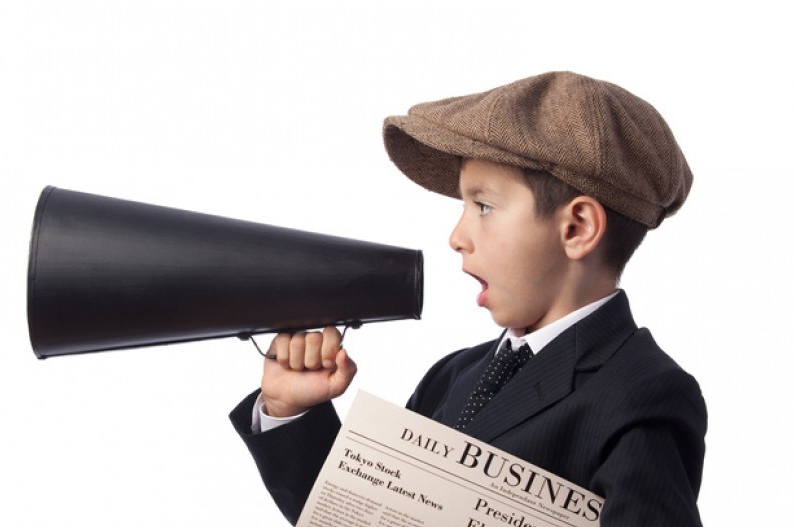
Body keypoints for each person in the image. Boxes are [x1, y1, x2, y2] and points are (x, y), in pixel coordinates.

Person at [230, 71, 707, 526]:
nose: (457, 236)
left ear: (576, 228)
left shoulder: (643, 394)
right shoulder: (452, 375)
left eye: (483, 205)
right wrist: (291, 412)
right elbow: (362, 512)